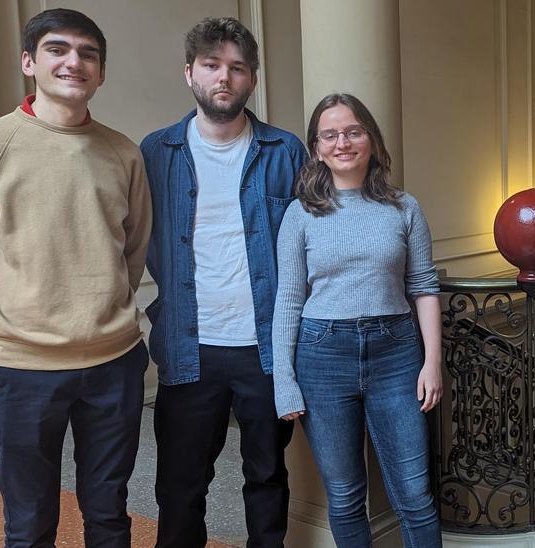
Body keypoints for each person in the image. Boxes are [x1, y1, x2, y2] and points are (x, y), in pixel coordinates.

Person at [0, 8, 151, 547]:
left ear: (101, 73)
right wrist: (1, 325)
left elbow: (133, 248)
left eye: (88, 54)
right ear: (30, 61)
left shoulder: (124, 152)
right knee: (30, 523)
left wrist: (105, 308)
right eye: (58, 50)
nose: (73, 62)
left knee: (109, 515)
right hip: (23, 368)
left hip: (114, 364)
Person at [139, 17, 305, 548]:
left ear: (251, 79)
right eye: (212, 65)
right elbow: (129, 236)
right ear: (190, 73)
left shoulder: (285, 151)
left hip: (267, 349)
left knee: (266, 476)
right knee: (180, 486)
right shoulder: (155, 154)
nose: (224, 78)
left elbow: (314, 240)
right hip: (189, 347)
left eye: (236, 67)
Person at [272, 93, 444, 547]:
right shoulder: (300, 214)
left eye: (353, 131)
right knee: (346, 497)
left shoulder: (405, 208)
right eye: (329, 135)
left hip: (398, 354)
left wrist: (432, 363)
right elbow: (288, 300)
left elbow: (423, 287)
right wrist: (283, 381)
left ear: (370, 139)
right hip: (322, 357)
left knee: (414, 495)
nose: (342, 142)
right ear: (316, 147)